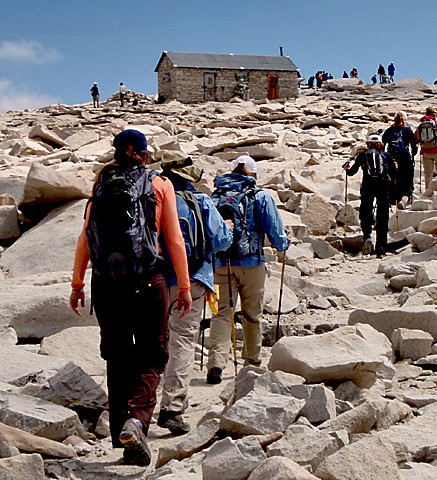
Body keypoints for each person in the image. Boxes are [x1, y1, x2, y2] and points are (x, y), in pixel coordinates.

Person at [70, 129, 193, 466]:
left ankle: (124, 440)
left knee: (118, 357)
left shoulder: (101, 183)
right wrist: (183, 286)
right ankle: (137, 421)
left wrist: (77, 283)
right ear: (141, 153)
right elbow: (175, 240)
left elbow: (84, 237)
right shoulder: (160, 184)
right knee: (153, 354)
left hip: (106, 283)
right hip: (148, 280)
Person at [157, 152, 233, 436]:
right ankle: (173, 407)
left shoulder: (151, 197)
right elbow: (221, 242)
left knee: (154, 338)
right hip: (192, 278)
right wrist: (228, 229)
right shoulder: (199, 201)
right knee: (183, 340)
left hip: (153, 278)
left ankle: (141, 403)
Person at [207, 155, 289, 384]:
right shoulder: (260, 196)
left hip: (221, 263)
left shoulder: (216, 196)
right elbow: (275, 232)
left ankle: (215, 363)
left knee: (222, 313)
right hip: (252, 262)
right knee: (252, 314)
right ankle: (252, 362)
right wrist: (284, 245)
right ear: (252, 173)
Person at [344, 134, 396, 258]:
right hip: (382, 186)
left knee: (366, 212)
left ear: (368, 144)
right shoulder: (386, 155)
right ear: (380, 144)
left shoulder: (363, 156)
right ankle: (381, 248)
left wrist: (347, 169)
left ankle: (367, 236)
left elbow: (352, 172)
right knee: (382, 216)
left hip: (368, 186)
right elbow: (394, 173)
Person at [382, 111, 417, 209]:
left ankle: (392, 198)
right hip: (405, 157)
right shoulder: (407, 130)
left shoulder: (389, 131)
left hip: (391, 157)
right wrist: (413, 155)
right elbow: (414, 146)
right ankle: (405, 196)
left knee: (392, 177)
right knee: (407, 178)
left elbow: (383, 145)